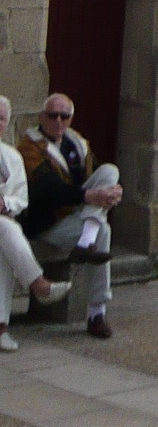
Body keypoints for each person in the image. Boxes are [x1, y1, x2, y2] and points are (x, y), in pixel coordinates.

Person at [18, 94, 118, 340]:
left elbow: (98, 175)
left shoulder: (78, 143)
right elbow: (48, 190)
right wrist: (89, 196)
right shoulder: (30, 148)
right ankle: (97, 312)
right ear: (42, 117)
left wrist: (114, 192)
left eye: (64, 116)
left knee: (110, 171)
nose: (58, 121)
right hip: (48, 223)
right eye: (52, 115)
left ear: (71, 119)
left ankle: (87, 241)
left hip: (78, 215)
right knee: (103, 230)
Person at [0, 97, 70, 352]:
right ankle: (38, 284)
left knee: (5, 239)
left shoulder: (12, 157)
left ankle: (0, 328)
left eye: (1, 119)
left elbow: (21, 199)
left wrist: (5, 203)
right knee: (8, 230)